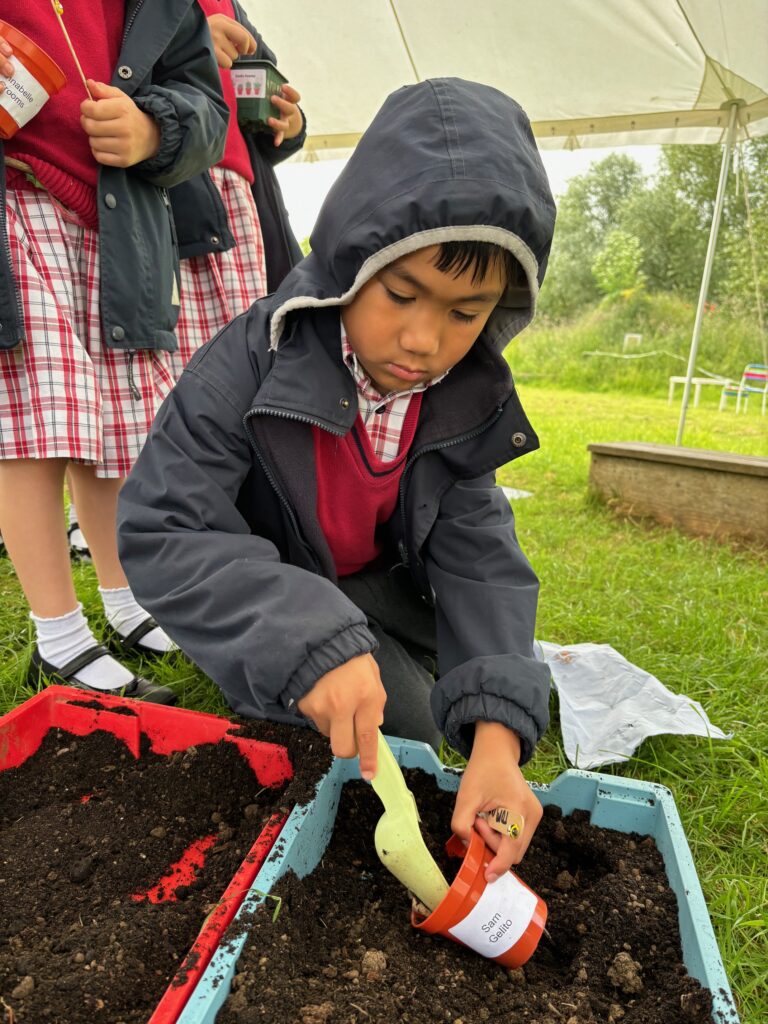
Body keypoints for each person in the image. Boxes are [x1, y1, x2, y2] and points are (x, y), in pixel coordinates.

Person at [118, 79, 555, 877]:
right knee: (412, 739)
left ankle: (395, 665)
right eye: (401, 294)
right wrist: (309, 642)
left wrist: (499, 742)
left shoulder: (460, 392)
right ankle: (320, 665)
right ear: (353, 258)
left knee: (490, 684)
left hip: (378, 581)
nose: (423, 339)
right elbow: (163, 530)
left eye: (465, 312)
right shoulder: (245, 365)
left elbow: (478, 555)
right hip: (277, 588)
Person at [0, 1, 228, 702]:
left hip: (117, 222)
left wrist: (156, 127)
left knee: (114, 428)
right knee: (39, 420)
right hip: (15, 200)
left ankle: (127, 602)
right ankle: (60, 638)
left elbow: (204, 101)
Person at [65, 0, 306, 560]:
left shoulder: (233, 8)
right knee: (167, 382)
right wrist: (192, 46)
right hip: (167, 202)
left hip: (239, 206)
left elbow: (270, 99)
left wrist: (288, 121)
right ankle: (149, 524)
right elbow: (104, 77)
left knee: (252, 370)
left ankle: (239, 525)